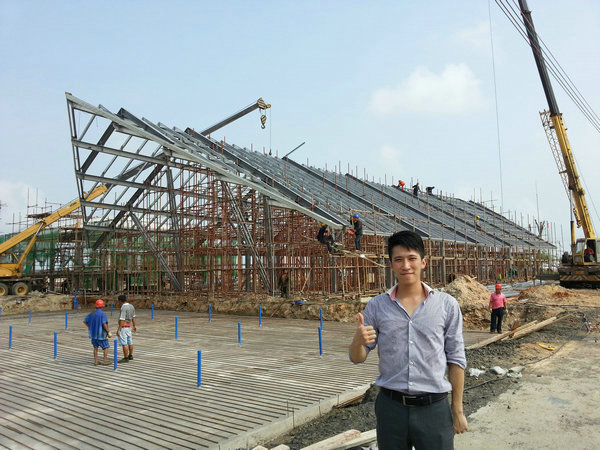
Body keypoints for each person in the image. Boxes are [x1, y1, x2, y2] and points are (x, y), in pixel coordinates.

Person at [349, 230, 467, 449]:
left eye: (412, 258)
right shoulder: (377, 306)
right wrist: (357, 341)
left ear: (423, 262)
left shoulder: (446, 305)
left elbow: (456, 358)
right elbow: (358, 358)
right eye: (399, 260)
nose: (406, 266)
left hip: (434, 408)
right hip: (392, 408)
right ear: (391, 265)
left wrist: (457, 409)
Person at [83, 299, 111, 366]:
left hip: (93, 334)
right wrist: (108, 331)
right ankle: (104, 361)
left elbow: (85, 321)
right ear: (102, 306)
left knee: (95, 347)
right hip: (101, 334)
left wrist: (90, 327)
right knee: (106, 347)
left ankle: (96, 361)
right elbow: (104, 324)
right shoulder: (102, 314)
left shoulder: (92, 313)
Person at [116, 294, 137, 362]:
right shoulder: (131, 306)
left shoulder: (123, 307)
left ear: (120, 301)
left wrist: (119, 329)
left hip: (124, 327)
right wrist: (134, 326)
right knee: (130, 342)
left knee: (124, 343)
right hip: (129, 326)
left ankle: (125, 358)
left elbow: (122, 319)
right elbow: (133, 317)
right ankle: (130, 355)